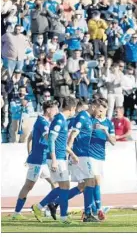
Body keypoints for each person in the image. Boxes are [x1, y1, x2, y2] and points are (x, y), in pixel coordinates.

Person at [31, 96, 77, 225]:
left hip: (60, 156)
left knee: (64, 187)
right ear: (72, 108)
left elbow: (59, 141)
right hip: (56, 158)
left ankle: (40, 207)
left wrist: (71, 154)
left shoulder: (61, 119)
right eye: (75, 109)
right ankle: (63, 217)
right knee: (65, 187)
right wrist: (55, 159)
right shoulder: (59, 120)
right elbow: (51, 139)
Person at [12, 100, 58, 220]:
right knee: (28, 186)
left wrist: (29, 154)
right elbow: (48, 139)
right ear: (48, 110)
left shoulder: (41, 121)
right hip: (38, 161)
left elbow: (30, 138)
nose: (56, 112)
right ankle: (16, 214)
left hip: (41, 160)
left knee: (55, 184)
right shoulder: (43, 123)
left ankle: (48, 210)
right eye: (55, 109)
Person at [67, 99, 105, 222]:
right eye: (99, 110)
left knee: (83, 185)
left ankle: (53, 203)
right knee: (91, 181)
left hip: (84, 154)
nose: (100, 114)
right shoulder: (82, 117)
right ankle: (88, 214)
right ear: (93, 106)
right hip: (80, 155)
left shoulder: (88, 118)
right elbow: (73, 135)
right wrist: (70, 153)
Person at [89, 99, 116, 220]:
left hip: (101, 156)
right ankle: (98, 208)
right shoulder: (91, 120)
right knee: (96, 180)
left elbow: (113, 142)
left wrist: (105, 130)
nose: (99, 112)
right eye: (98, 109)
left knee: (94, 183)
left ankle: (93, 208)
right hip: (90, 155)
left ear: (105, 109)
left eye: (101, 110)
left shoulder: (109, 124)